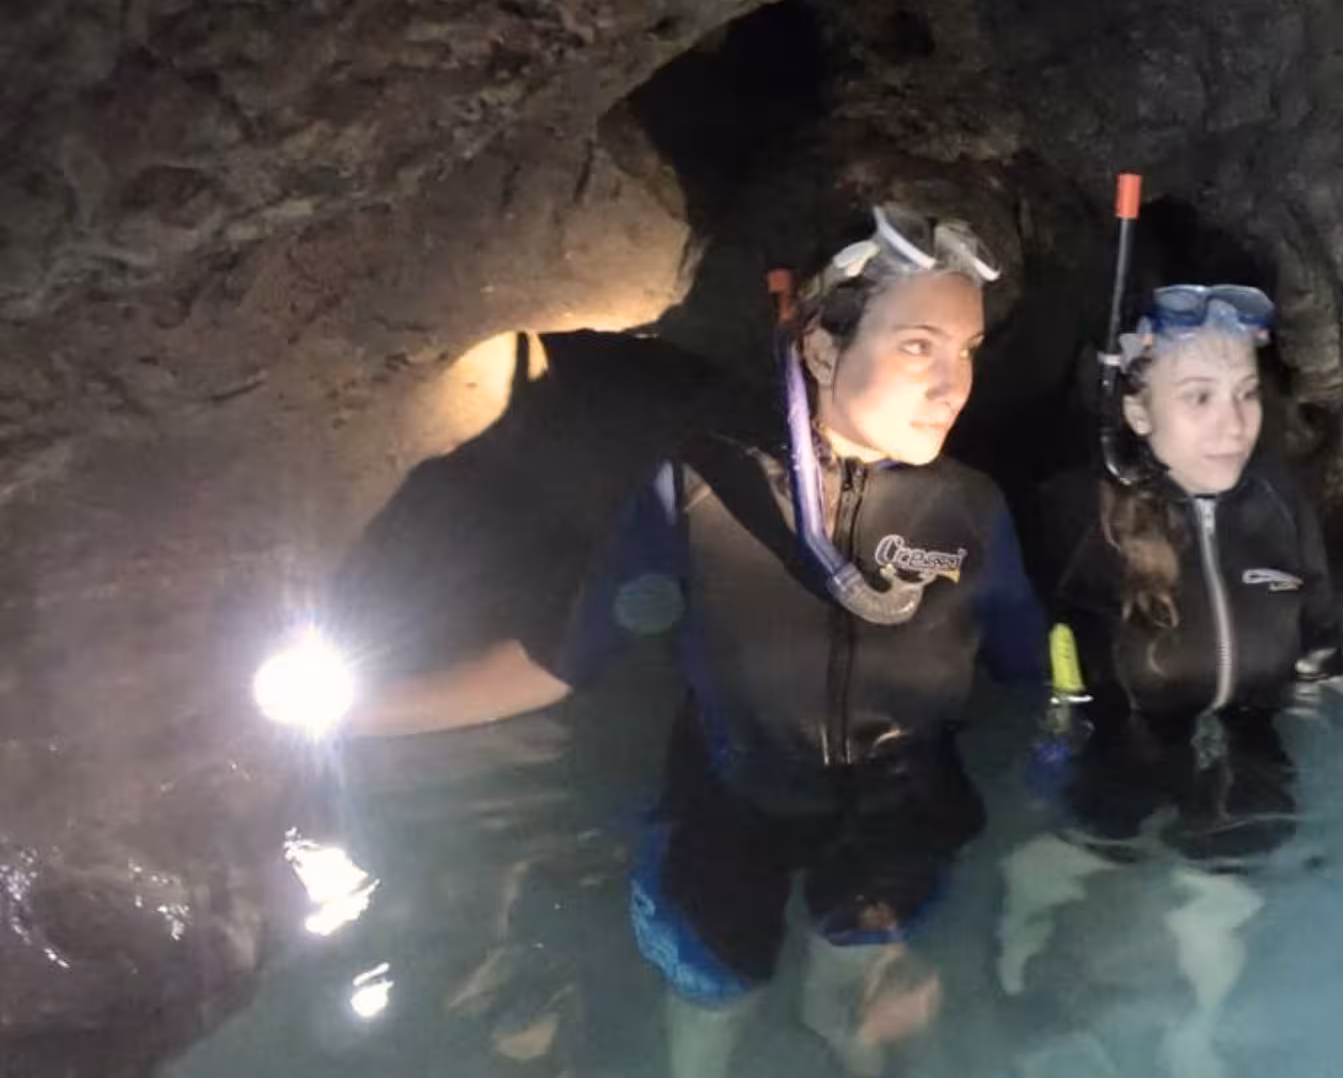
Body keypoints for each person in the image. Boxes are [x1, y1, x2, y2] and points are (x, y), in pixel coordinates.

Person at [343, 205, 1048, 1076]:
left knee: (865, 1006)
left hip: (896, 813)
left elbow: (1037, 666)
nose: (952, 384)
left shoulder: (971, 509)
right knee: (714, 994)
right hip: (729, 803)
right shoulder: (700, 491)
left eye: (966, 351)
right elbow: (556, 663)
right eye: (918, 346)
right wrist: (352, 718)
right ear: (824, 351)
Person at [996, 284, 1343, 1077]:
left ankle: (1198, 1036)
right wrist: (1057, 720)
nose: (1235, 423)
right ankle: (1019, 951)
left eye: (1247, 394)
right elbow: (1035, 630)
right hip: (1130, 727)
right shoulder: (1082, 512)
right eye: (1200, 398)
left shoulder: (1281, 502)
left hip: (1252, 722)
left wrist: (1328, 684)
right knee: (1091, 847)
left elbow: (1318, 618)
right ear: (1141, 414)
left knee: (1227, 883)